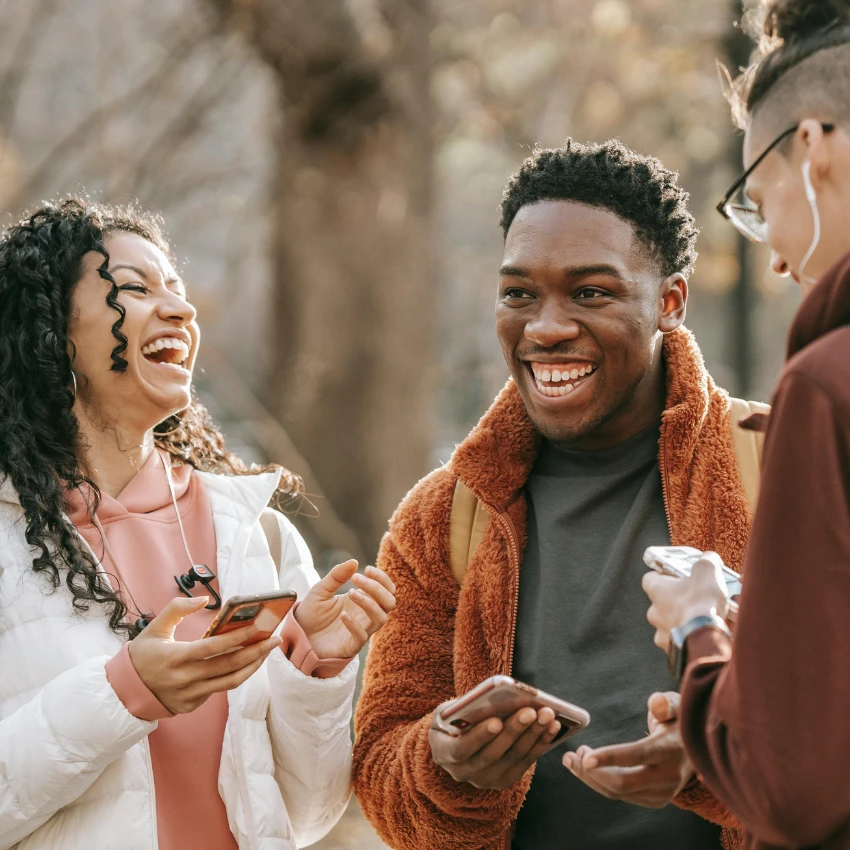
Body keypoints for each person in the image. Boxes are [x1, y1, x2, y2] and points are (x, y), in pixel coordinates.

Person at [352, 139, 764, 850]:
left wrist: (711, 757)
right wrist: (446, 764)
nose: (545, 328)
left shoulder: (780, 465)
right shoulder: (442, 518)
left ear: (669, 302)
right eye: (519, 293)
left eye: (591, 292)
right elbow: (381, 768)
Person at [0, 198, 396, 850]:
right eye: (134, 289)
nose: (181, 311)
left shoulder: (256, 533)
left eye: (177, 293)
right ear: (52, 332)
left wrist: (314, 670)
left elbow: (308, 812)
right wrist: (123, 693)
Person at [632, 1, 850, 848]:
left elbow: (793, 787)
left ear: (814, 148)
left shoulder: (825, 388)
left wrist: (700, 629)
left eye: (759, 203)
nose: (776, 253)